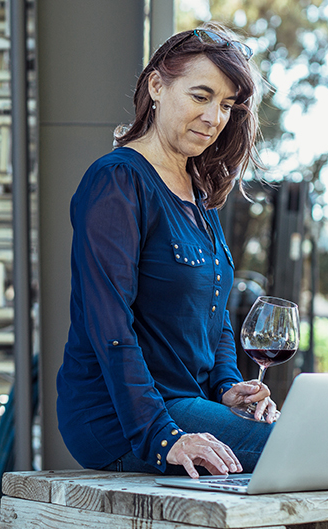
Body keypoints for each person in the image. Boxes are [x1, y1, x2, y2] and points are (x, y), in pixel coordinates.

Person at [55, 24, 279, 480]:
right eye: (201, 96)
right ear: (157, 86)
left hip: (187, 405)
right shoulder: (117, 181)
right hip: (121, 420)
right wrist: (164, 437)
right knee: (295, 451)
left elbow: (214, 318)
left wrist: (227, 387)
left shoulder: (197, 193)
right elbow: (108, 324)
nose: (215, 117)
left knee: (314, 447)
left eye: (226, 105)